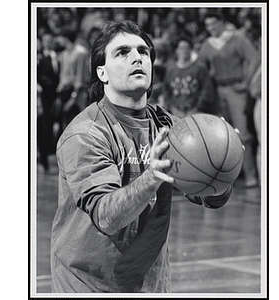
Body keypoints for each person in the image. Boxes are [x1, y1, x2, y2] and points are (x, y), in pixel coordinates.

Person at [50, 20, 233, 293]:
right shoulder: (86, 134)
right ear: (102, 72)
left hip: (150, 284)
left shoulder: (167, 126)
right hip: (89, 285)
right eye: (122, 52)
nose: (137, 57)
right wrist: (152, 177)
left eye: (143, 51)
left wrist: (223, 165)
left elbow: (208, 196)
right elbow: (106, 218)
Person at [199, 13, 260, 188]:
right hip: (218, 90)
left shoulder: (237, 39)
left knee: (243, 133)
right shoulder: (207, 44)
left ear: (222, 23)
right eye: (208, 25)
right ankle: (227, 178)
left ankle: (250, 175)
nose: (211, 28)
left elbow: (254, 58)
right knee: (221, 136)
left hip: (236, 89)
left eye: (214, 23)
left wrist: (247, 82)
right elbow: (201, 67)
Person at [163, 36, 216, 118]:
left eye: (186, 48)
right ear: (176, 50)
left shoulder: (200, 69)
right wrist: (171, 108)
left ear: (191, 50)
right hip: (175, 112)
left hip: (195, 112)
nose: (183, 51)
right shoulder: (171, 71)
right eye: (181, 48)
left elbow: (207, 90)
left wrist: (198, 107)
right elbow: (166, 91)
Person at [56, 28, 90, 135]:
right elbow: (63, 75)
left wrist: (73, 97)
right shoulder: (64, 54)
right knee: (65, 122)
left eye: (60, 37)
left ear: (66, 38)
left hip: (77, 92)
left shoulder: (81, 52)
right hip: (64, 92)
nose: (58, 40)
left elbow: (80, 76)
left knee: (77, 121)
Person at [37, 33, 60, 171]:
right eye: (47, 40)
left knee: (53, 128)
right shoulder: (40, 59)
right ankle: (44, 159)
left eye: (51, 39)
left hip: (56, 97)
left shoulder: (58, 57)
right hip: (44, 98)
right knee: (44, 128)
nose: (49, 42)